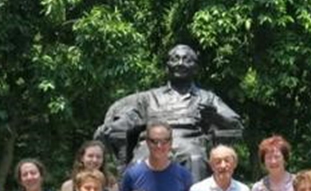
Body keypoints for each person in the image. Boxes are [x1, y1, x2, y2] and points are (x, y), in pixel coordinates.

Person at [96, 44, 243, 182]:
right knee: (140, 160)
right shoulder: (148, 97)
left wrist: (215, 117)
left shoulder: (207, 98)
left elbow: (235, 123)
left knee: (195, 158)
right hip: (152, 144)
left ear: (195, 68)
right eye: (175, 59)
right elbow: (130, 118)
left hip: (189, 143)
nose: (180, 63)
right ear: (167, 67)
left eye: (187, 60)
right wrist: (113, 126)